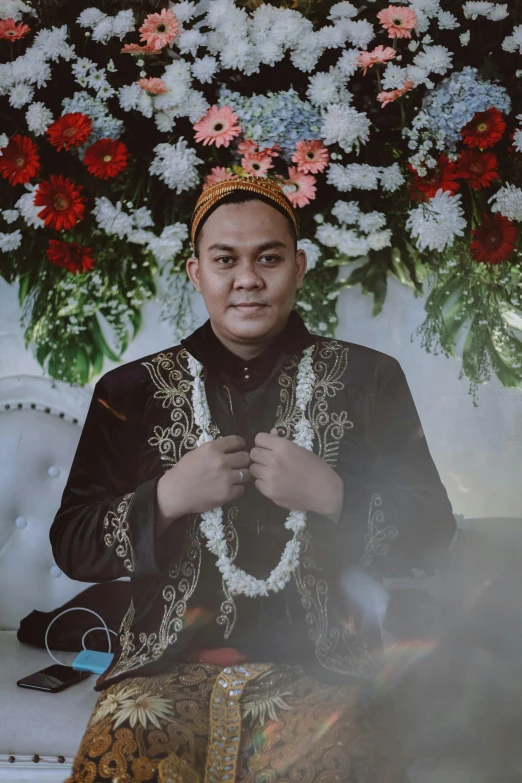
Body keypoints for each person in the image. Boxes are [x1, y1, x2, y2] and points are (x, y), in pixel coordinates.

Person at [50, 175, 456, 783]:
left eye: (269, 257)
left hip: (327, 664)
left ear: (300, 266)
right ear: (196, 273)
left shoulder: (368, 380)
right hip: (163, 667)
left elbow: (434, 528)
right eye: (225, 260)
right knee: (127, 752)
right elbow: (72, 544)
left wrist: (335, 497)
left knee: (331, 756)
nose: (247, 279)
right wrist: (165, 499)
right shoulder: (130, 393)